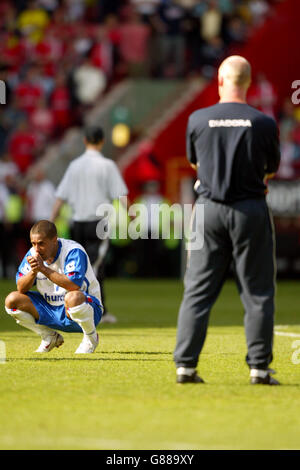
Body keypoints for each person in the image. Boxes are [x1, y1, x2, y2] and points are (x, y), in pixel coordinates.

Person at [174, 55, 281, 385]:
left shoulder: (198, 119)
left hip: (208, 211)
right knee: (258, 292)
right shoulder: (263, 123)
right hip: (249, 209)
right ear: (247, 83)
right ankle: (259, 369)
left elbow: (194, 163)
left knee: (197, 291)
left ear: (220, 81)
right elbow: (272, 169)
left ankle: (186, 366)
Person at [51, 125, 128, 323]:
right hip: (98, 223)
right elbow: (121, 195)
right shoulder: (107, 165)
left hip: (77, 223)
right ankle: (90, 310)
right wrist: (132, 214)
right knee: (94, 267)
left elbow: (60, 197)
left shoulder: (74, 165)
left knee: (80, 265)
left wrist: (51, 220)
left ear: (85, 141)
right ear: (102, 141)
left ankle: (89, 308)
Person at [5, 220, 103, 353]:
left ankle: (91, 338)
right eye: (33, 244)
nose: (37, 249)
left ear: (54, 240)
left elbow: (73, 285)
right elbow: (21, 288)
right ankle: (49, 336)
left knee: (72, 297)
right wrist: (34, 271)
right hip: (52, 309)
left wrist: (43, 269)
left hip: (85, 308)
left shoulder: (73, 251)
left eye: (41, 244)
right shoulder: (32, 254)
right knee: (12, 300)